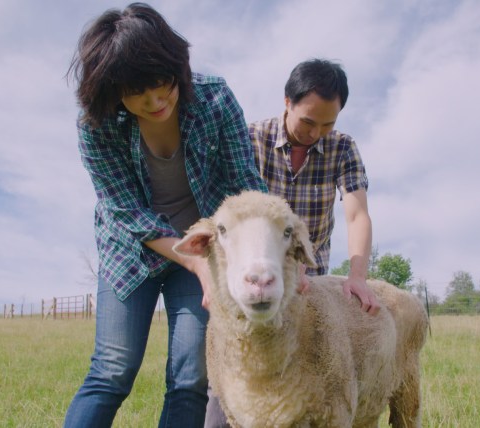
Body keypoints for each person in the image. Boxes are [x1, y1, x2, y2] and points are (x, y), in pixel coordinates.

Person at [63, 3, 267, 428]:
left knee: (191, 377)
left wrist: (263, 254)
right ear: (113, 90)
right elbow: (125, 211)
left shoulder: (214, 98)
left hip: (199, 253)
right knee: (112, 370)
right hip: (131, 253)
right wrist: (192, 261)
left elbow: (246, 183)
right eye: (139, 93)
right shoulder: (95, 127)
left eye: (163, 85)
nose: (156, 101)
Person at [204, 59, 381, 427]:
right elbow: (226, 216)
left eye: (328, 124)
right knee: (230, 364)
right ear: (287, 102)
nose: (317, 133)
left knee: (310, 369)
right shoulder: (251, 139)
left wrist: (358, 275)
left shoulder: (342, 148)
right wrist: (213, 277)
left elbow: (356, 214)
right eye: (308, 122)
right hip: (250, 276)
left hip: (308, 279)